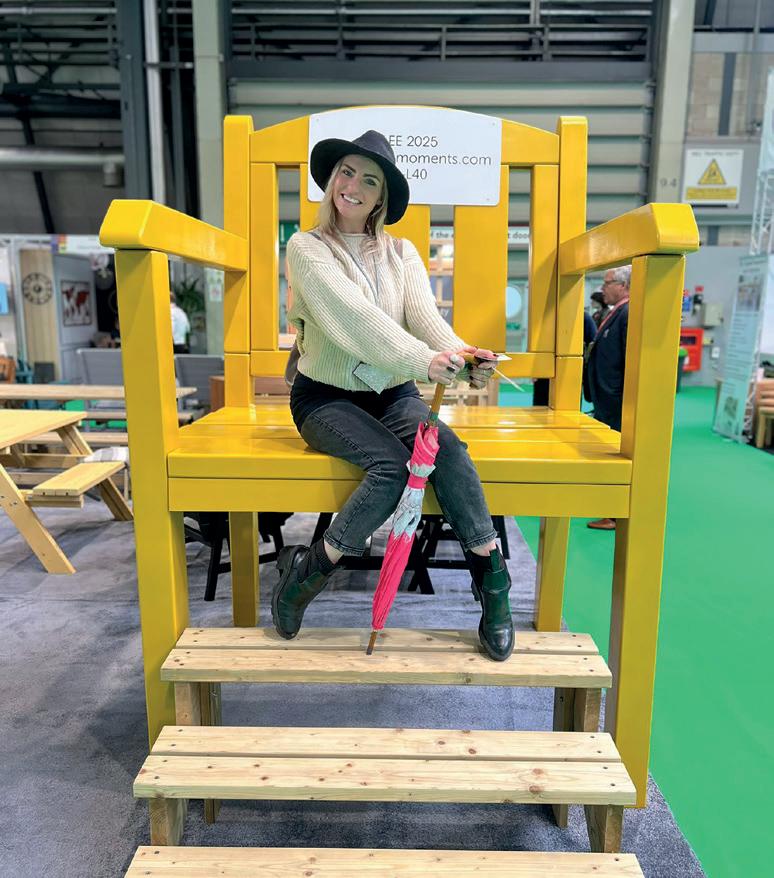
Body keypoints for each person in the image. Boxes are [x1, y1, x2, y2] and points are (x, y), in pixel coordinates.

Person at [272, 130, 513, 661]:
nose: (353, 186)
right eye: (346, 172)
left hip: (392, 393)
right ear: (332, 179)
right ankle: (308, 575)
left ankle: (492, 582)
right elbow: (354, 320)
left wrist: (464, 358)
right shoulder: (307, 248)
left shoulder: (402, 252)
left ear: (382, 196)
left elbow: (425, 318)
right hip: (325, 399)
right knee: (392, 467)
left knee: (449, 451)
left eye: (370, 180)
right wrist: (424, 361)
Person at [585, 264, 631, 530]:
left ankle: (614, 514)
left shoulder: (628, 313)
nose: (603, 288)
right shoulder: (616, 312)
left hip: (615, 399)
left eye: (607, 282)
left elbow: (627, 359)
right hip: (607, 397)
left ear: (623, 285)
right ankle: (610, 511)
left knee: (616, 456)